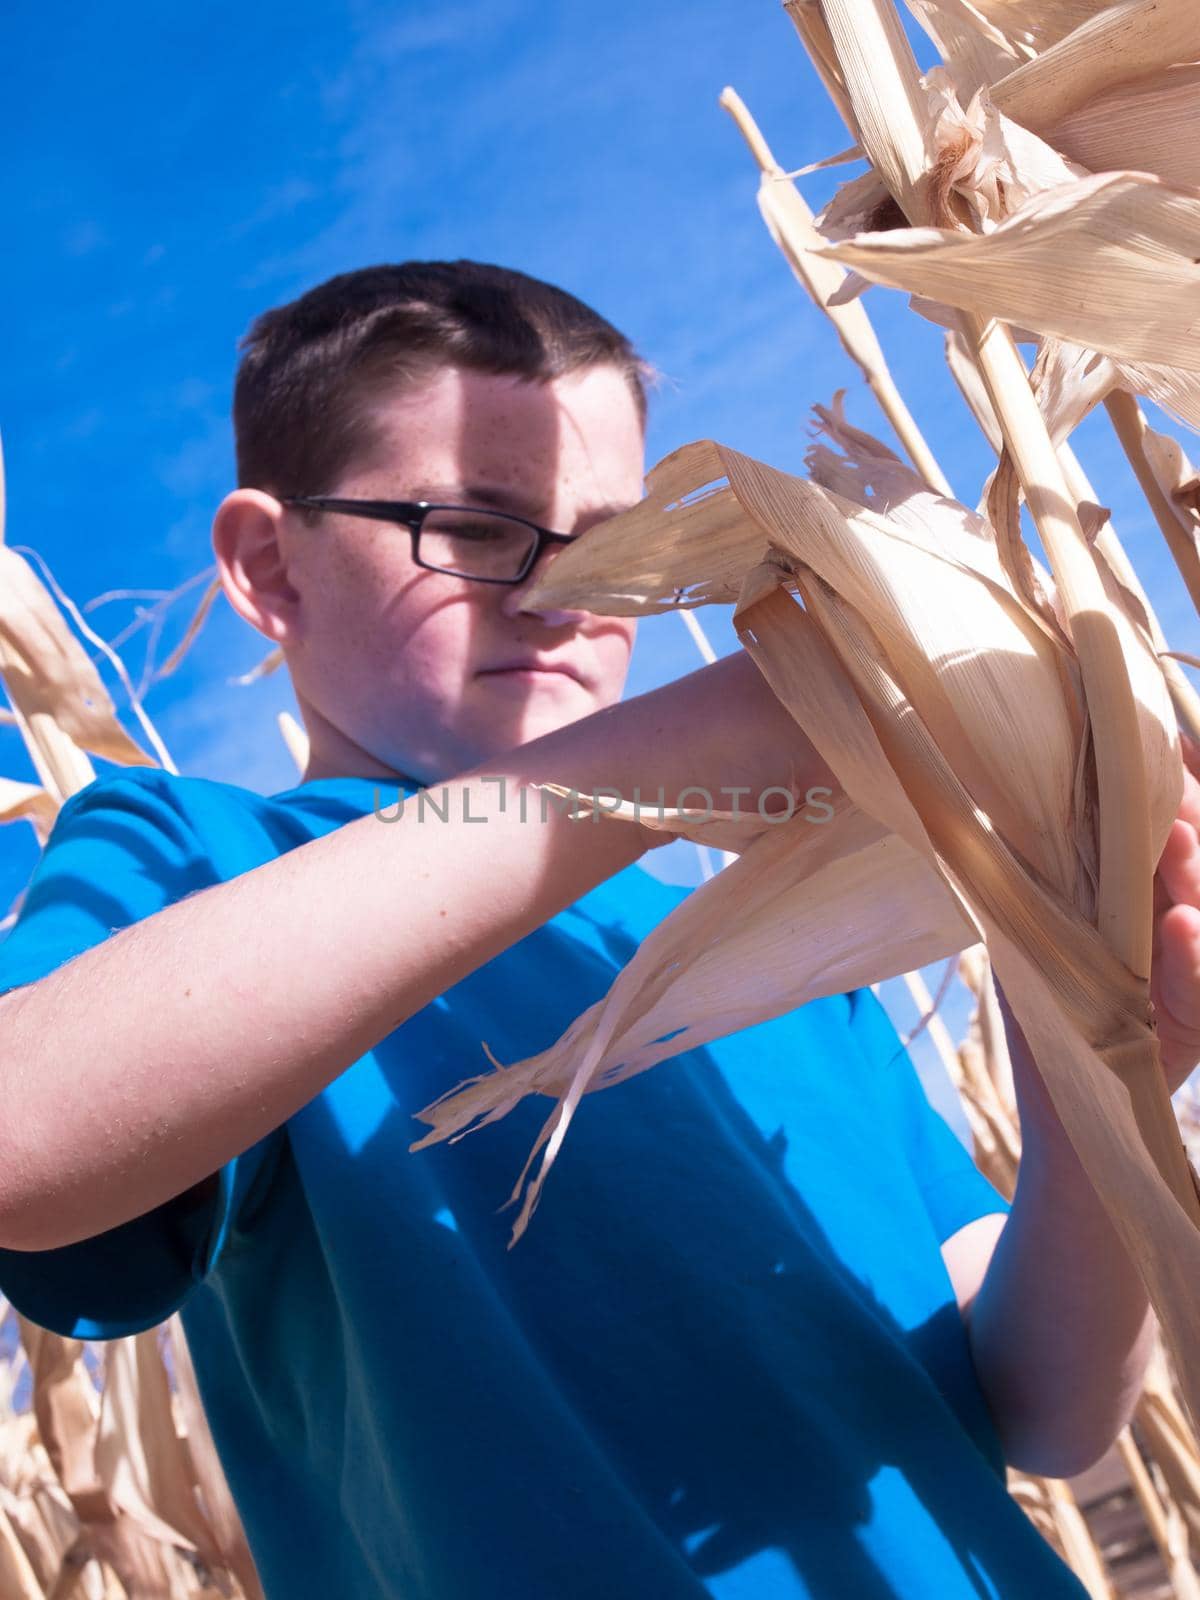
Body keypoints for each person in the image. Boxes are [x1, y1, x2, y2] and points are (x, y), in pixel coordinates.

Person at [0, 260, 1196, 1600]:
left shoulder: (789, 962)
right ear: (272, 566)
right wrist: (682, 751)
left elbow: (1047, 1409)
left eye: (625, 544)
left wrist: (1097, 1072)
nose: (568, 596)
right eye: (471, 527)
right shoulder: (195, 863)